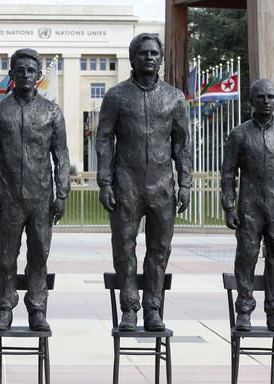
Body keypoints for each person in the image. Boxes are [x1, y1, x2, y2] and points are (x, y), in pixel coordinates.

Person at [96, 33, 192, 332]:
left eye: (154, 53)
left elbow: (183, 145)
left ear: (160, 58)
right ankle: (129, 308)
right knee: (124, 248)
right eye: (143, 53)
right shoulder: (117, 96)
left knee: (159, 250)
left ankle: (153, 308)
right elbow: (103, 139)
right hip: (127, 183)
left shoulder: (175, 98)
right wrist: (105, 181)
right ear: (132, 58)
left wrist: (186, 182)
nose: (149, 57)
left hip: (162, 186)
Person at [0, 48, 70, 332]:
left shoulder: (52, 111)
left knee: (39, 255)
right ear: (11, 74)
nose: (26, 75)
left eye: (32, 70)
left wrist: (62, 193)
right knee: (5, 256)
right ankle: (5, 306)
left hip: (42, 198)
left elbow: (62, 156)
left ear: (39, 76)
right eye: (20, 70)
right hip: (8, 197)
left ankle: (37, 308)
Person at [220, 79, 274, 332]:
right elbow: (227, 174)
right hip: (249, 204)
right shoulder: (239, 134)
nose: (266, 101)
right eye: (260, 97)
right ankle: (244, 310)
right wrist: (228, 206)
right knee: (246, 256)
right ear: (251, 101)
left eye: (270, 97)